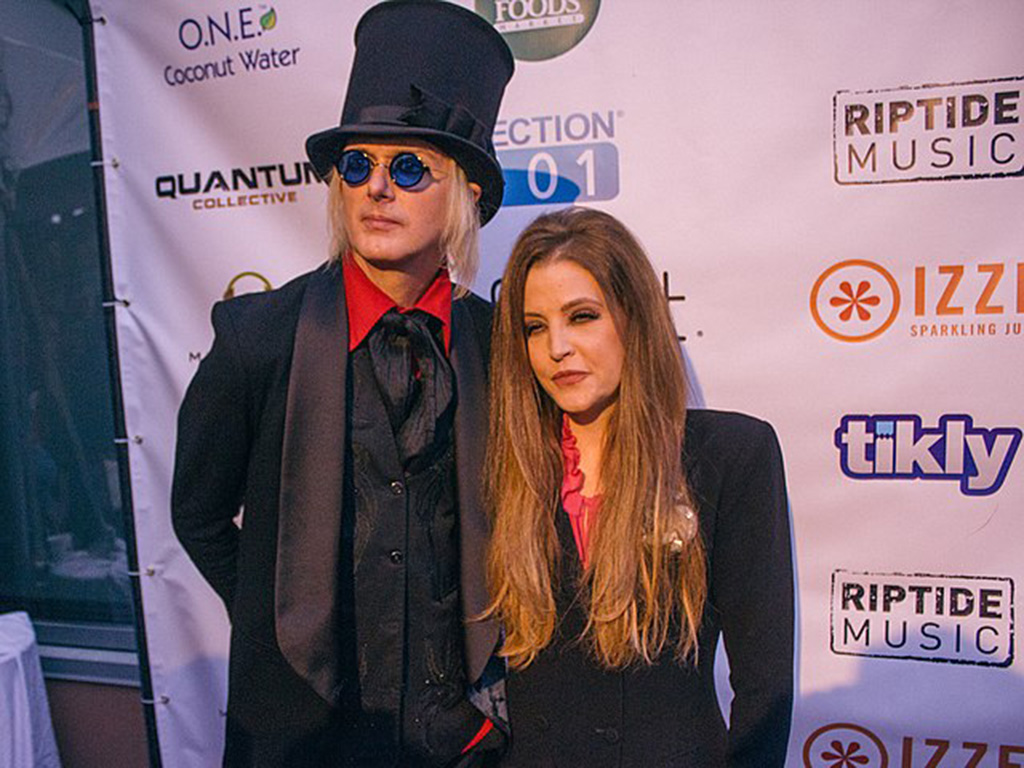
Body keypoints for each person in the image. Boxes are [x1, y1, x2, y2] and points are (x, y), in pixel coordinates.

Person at [171, 3, 514, 766]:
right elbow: (196, 514)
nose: (377, 189)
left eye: (409, 167)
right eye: (357, 165)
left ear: (459, 193)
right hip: (301, 739)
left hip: (462, 743)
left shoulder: (502, 347)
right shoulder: (257, 336)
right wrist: (270, 624)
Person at [485, 207, 794, 767]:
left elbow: (764, 686)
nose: (556, 347)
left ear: (634, 318)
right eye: (535, 327)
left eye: (582, 316)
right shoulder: (508, 469)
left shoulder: (731, 456)